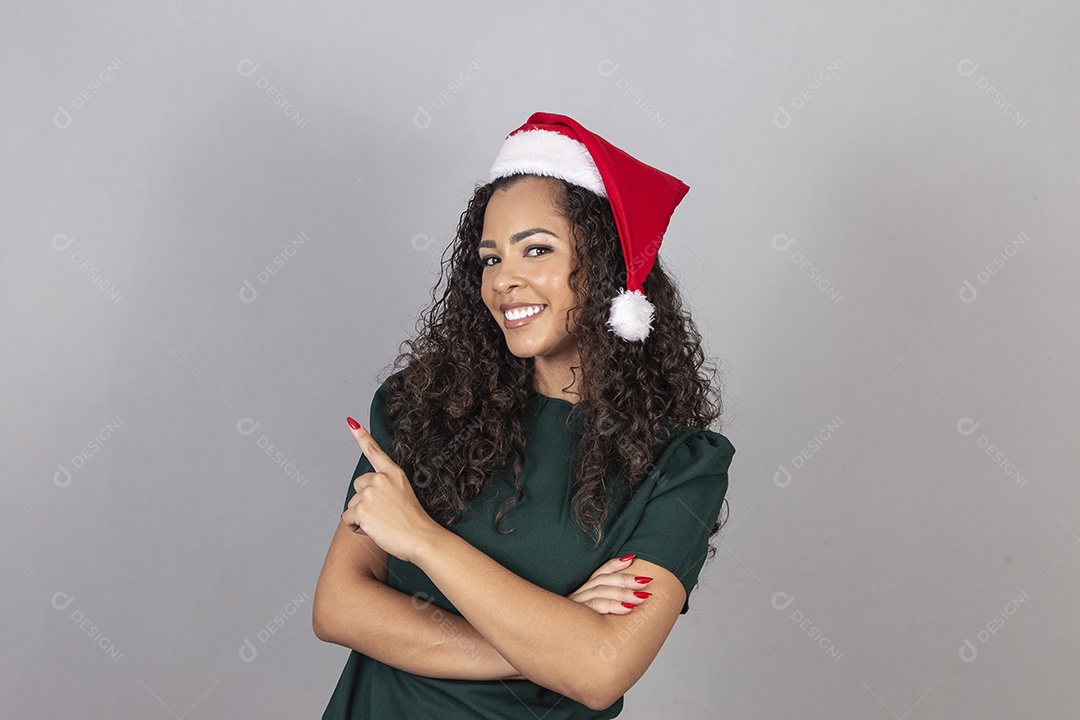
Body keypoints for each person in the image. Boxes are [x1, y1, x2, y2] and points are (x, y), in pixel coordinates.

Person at [313, 111, 735, 719]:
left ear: (607, 264)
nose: (504, 280)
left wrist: (421, 538)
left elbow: (597, 672)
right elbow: (339, 608)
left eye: (536, 250)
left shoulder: (679, 466)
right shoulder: (423, 407)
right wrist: (546, 639)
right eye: (489, 259)